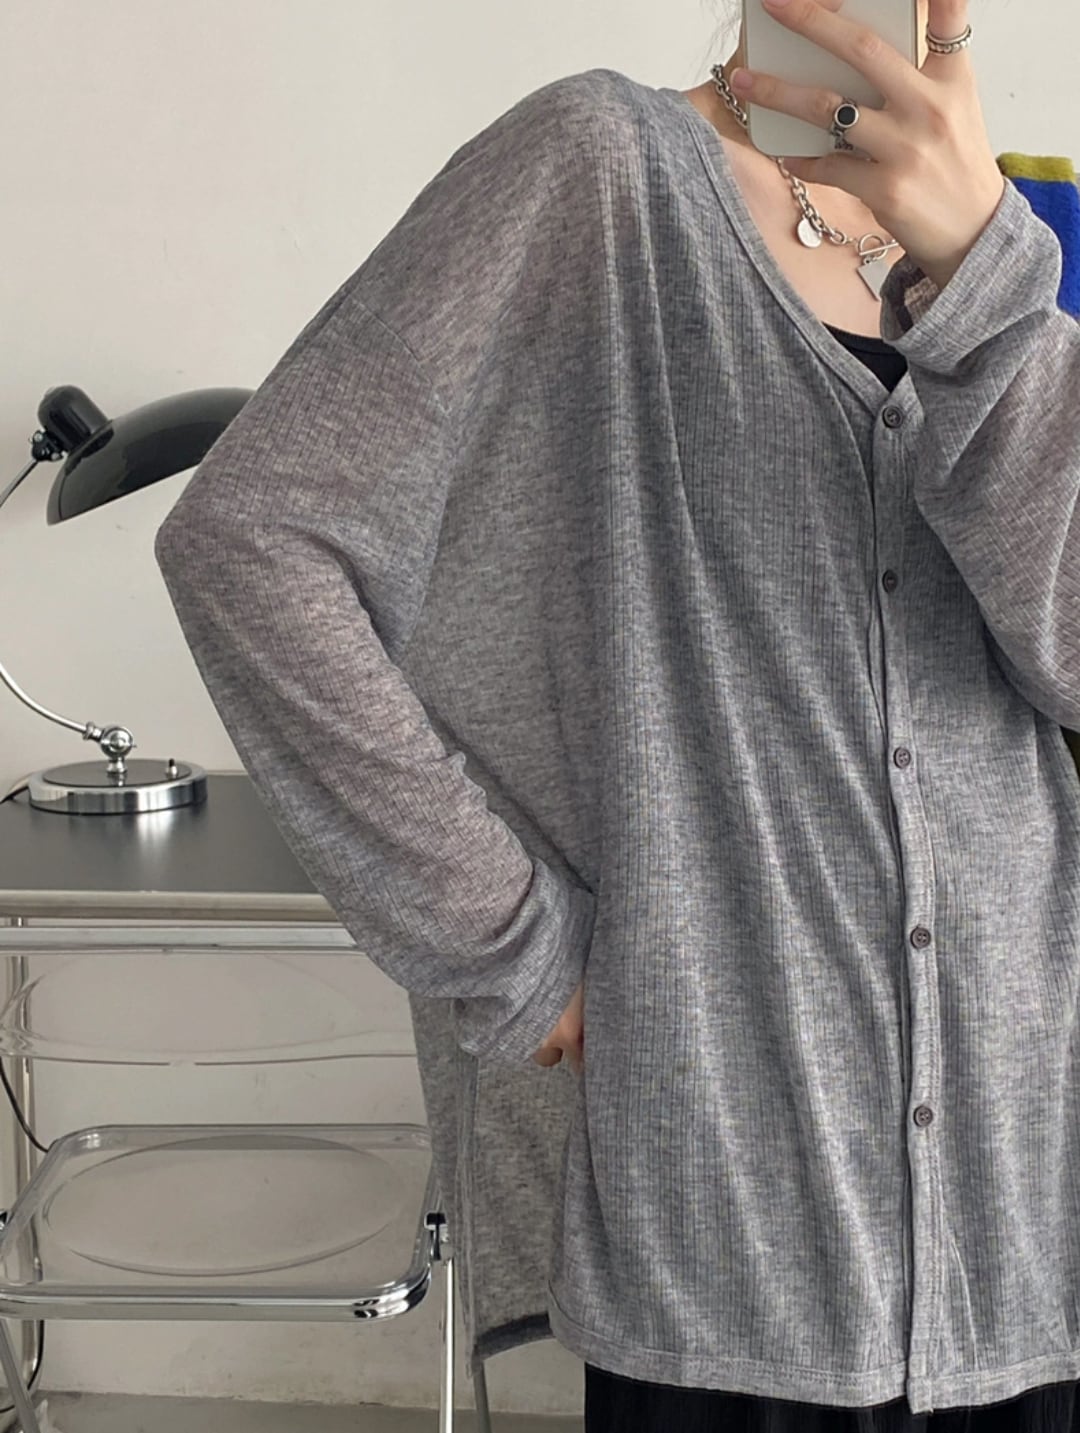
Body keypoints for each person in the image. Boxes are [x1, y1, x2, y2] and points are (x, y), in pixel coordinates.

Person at [154, 0, 1080, 1427]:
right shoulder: (597, 168)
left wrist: (985, 277)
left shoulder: (1023, 235)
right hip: (730, 1221)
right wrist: (516, 951)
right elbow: (252, 541)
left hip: (1022, 1218)